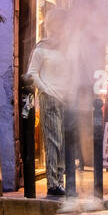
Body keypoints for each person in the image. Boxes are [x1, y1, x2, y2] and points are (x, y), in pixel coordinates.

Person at [25, 15, 68, 197]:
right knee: (53, 139)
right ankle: (52, 182)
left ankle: (59, 180)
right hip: (49, 98)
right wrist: (46, 90)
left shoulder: (65, 49)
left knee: (62, 141)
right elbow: (32, 74)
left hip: (64, 98)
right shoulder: (41, 49)